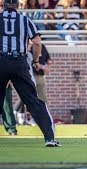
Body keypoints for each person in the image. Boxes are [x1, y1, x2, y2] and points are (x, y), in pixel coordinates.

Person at [0, 0, 60, 147]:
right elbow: (37, 42)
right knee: (33, 101)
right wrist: (35, 61)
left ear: (3, 5)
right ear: (18, 5)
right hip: (19, 62)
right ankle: (49, 138)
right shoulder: (25, 20)